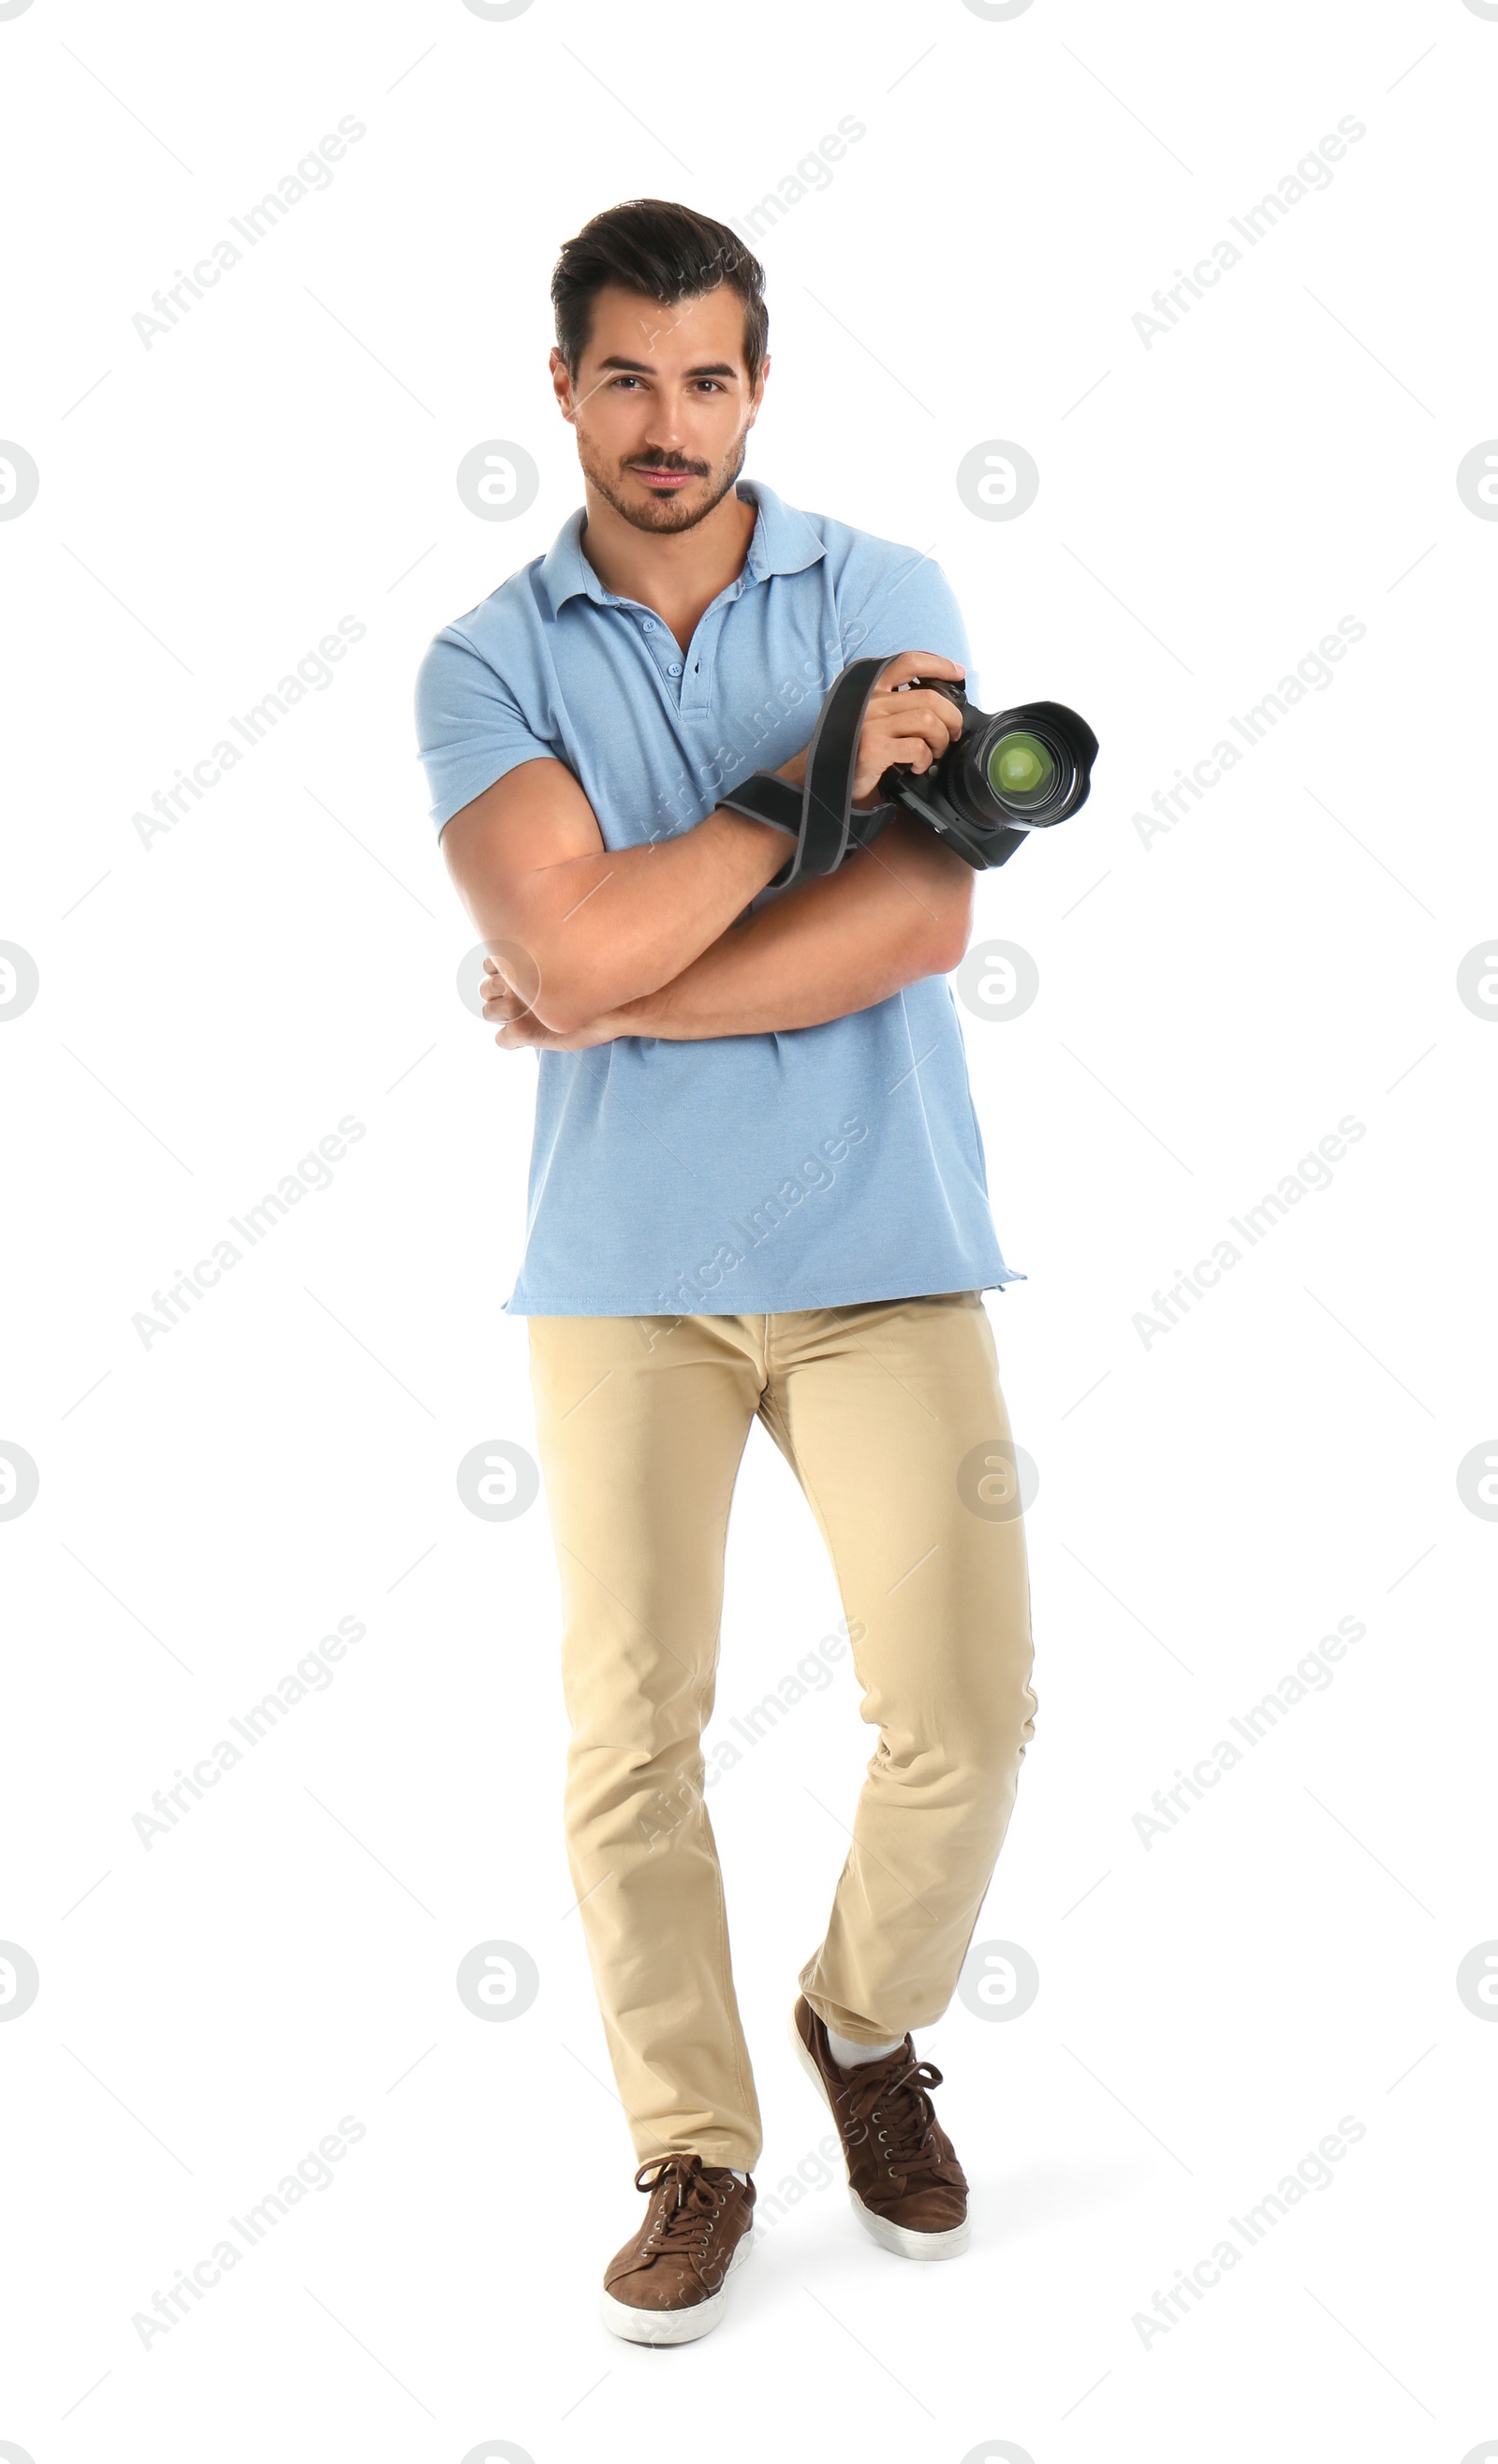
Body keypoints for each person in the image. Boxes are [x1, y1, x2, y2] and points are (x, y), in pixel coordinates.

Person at [416, 198, 1037, 2346]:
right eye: (624, 376)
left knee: (964, 1704)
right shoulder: (482, 662)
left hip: (883, 1241)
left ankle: (859, 2025)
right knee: (628, 1735)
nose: (666, 421)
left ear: (752, 383)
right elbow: (557, 934)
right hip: (619, 1273)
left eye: (704, 376)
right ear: (564, 387)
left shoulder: (885, 594)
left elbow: (921, 928)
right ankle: (693, 2141)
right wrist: (792, 793)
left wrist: (600, 989)